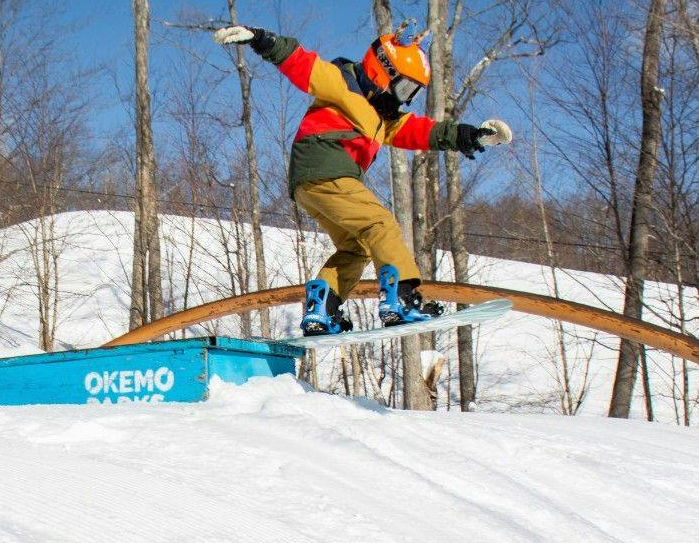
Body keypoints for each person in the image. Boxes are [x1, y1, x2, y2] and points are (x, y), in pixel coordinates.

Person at [214, 23, 510, 334]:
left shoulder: (383, 117)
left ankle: (322, 308)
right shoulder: (344, 82)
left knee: (357, 247)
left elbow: (420, 131)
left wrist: (468, 135)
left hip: (312, 183)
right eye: (404, 88)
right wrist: (263, 40)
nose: (405, 99)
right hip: (325, 166)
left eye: (412, 93)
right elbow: (305, 66)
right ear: (384, 72)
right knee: (379, 224)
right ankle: (402, 298)